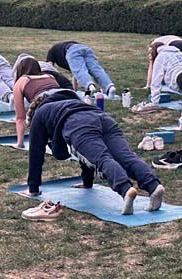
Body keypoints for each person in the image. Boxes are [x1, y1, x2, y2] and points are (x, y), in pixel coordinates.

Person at [23, 88, 164, 218]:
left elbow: (36, 153)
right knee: (125, 156)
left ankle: (125, 189)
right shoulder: (70, 102)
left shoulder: (40, 114)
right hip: (103, 118)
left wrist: (33, 188)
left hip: (78, 124)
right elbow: (84, 156)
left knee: (102, 158)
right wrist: (87, 182)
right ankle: (153, 186)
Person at [12, 58, 74, 148]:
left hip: (46, 102)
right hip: (67, 97)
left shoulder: (22, 80)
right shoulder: (49, 76)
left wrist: (20, 143)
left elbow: (20, 118)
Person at [45, 41, 121, 99]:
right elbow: (75, 75)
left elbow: (49, 67)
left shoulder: (51, 53)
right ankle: (109, 87)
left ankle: (89, 87)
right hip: (85, 48)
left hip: (71, 50)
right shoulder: (62, 54)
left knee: (81, 71)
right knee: (96, 70)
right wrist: (74, 91)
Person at [132, 43, 182, 113]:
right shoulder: (181, 54)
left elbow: (156, 81)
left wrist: (154, 102)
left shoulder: (161, 56)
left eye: (150, 53)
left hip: (180, 78)